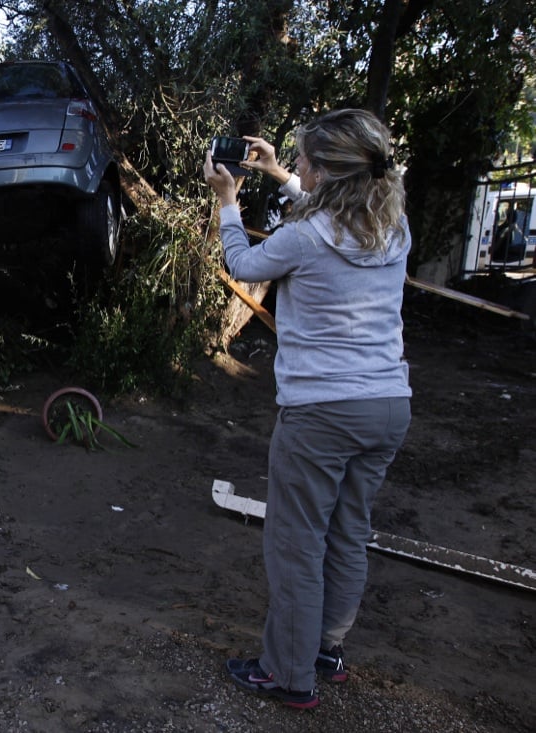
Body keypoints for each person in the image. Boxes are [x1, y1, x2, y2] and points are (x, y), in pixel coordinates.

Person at [202, 109, 413, 709]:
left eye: (301, 162)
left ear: (326, 173)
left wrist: (228, 201)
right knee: (348, 534)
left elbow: (242, 265)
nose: (294, 166)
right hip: (387, 405)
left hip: (323, 412)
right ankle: (327, 649)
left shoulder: (305, 236)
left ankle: (288, 674)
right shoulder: (394, 226)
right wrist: (277, 177)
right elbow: (339, 217)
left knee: (296, 543)